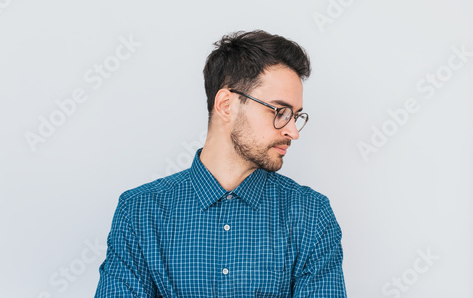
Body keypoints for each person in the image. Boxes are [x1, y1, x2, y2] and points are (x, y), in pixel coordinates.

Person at [94, 30, 347, 297]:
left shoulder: (311, 215)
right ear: (226, 105)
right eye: (280, 112)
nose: (293, 132)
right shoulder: (140, 212)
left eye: (296, 116)